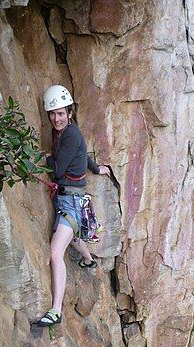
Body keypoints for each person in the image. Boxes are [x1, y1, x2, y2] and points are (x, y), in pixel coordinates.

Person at [37, 85, 110, 327]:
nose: (56, 118)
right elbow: (83, 155)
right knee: (73, 237)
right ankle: (89, 261)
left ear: (69, 112)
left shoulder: (70, 135)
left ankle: (56, 311)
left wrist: (46, 157)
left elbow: (57, 172)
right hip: (72, 201)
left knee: (56, 251)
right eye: (52, 114)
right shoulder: (68, 133)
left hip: (71, 204)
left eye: (60, 113)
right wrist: (97, 168)